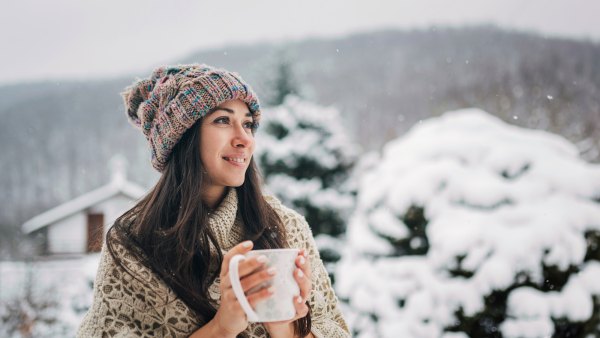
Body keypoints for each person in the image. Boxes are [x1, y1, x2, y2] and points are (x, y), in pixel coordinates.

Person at [77, 64, 350, 338]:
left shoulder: (286, 227)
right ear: (183, 137)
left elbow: (334, 329)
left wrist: (287, 329)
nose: (245, 139)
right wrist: (223, 327)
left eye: (248, 124)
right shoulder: (131, 244)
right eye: (222, 120)